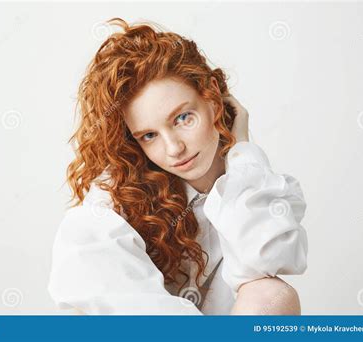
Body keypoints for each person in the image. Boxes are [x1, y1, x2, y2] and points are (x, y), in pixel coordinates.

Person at [47, 17, 308, 315]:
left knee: (272, 293)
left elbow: (270, 258)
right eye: (149, 135)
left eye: (182, 118)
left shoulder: (253, 184)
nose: (174, 149)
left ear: (212, 97)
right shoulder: (108, 209)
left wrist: (242, 151)